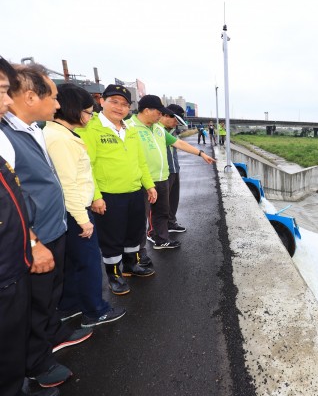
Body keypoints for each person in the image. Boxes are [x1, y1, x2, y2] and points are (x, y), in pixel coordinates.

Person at [1, 63, 92, 390]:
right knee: (34, 304)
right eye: (52, 97)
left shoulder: (34, 129)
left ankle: (51, 335)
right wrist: (34, 242)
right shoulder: (6, 137)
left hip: (53, 228)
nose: (57, 104)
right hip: (34, 237)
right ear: (29, 97)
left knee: (49, 295)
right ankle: (38, 363)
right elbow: (12, 198)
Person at [43, 83, 126, 327]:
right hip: (75, 211)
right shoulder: (61, 139)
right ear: (74, 109)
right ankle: (95, 310)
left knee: (73, 263)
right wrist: (83, 219)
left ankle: (70, 305)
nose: (91, 117)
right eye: (89, 112)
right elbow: (68, 184)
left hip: (71, 211)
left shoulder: (59, 134)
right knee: (89, 263)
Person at [76, 85, 157, 296]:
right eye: (114, 101)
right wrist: (96, 196)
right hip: (108, 195)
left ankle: (131, 265)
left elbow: (140, 162)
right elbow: (87, 166)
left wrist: (149, 185)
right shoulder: (90, 128)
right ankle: (113, 274)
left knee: (134, 232)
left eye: (124, 104)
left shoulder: (129, 129)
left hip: (134, 191)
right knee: (112, 237)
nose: (119, 108)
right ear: (102, 101)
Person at [128, 96, 216, 250]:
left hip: (162, 177)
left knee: (162, 212)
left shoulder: (158, 129)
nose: (160, 115)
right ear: (147, 110)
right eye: (159, 112)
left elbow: (179, 143)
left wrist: (201, 153)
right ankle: (138, 254)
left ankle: (162, 239)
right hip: (141, 181)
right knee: (139, 218)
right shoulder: (128, 127)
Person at [165, 104, 186, 233]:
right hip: (163, 172)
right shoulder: (158, 130)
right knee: (161, 203)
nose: (176, 123)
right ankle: (156, 232)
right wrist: (200, 153)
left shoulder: (173, 130)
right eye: (175, 120)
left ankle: (171, 223)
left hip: (174, 169)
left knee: (173, 199)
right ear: (167, 115)